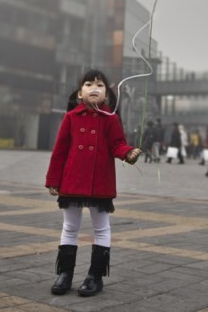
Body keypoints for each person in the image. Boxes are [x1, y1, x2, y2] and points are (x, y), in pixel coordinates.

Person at [45, 69, 141, 297]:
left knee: (101, 228)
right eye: (89, 84)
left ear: (106, 94)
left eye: (100, 85)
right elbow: (59, 151)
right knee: (70, 227)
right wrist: (53, 180)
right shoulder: (70, 118)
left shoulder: (111, 119)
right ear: (80, 93)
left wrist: (128, 153)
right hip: (72, 180)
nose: (94, 88)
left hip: (99, 182)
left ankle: (95, 276)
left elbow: (117, 144)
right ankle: (65, 274)